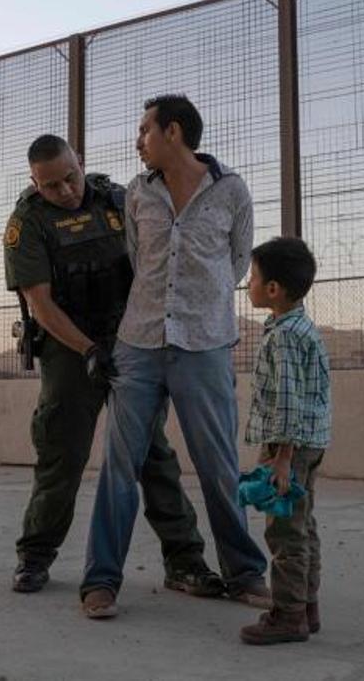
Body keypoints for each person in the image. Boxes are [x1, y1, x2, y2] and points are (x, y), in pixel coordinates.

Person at [2, 134, 223, 598]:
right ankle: (35, 557)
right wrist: (88, 352)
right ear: (33, 183)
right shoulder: (28, 223)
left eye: (70, 178)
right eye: (51, 186)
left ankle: (185, 562)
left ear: (80, 163)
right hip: (69, 349)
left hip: (129, 341)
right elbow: (41, 305)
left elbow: (154, 263)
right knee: (62, 455)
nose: (65, 191)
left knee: (153, 455)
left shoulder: (119, 200)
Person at [80, 95, 270, 619]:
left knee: (218, 465)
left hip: (205, 344)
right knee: (119, 465)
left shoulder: (232, 191)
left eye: (145, 130)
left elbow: (234, 264)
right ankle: (100, 582)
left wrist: (196, 307)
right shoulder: (139, 193)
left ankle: (245, 572)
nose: (137, 140)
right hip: (138, 344)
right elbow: (141, 259)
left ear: (174, 132)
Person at [237, 236, 332, 645]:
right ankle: (306, 607)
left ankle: (288, 615)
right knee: (302, 522)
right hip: (308, 441)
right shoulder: (298, 326)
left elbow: (289, 402)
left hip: (288, 445)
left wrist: (281, 458)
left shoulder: (285, 336)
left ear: (273, 289)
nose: (248, 284)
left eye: (253, 277)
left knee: (284, 531)